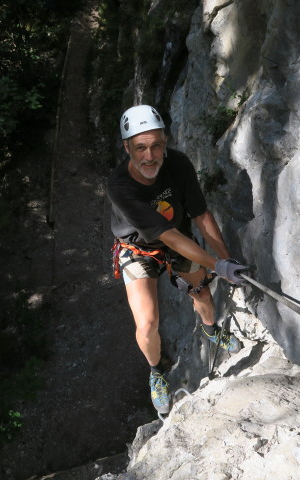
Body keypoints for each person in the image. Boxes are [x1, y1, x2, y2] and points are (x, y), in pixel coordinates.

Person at [107, 104, 249, 414]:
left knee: (203, 294)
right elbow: (166, 235)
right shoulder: (120, 186)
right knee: (147, 323)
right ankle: (157, 374)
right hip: (139, 249)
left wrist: (227, 261)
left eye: (157, 145)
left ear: (166, 142)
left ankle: (212, 330)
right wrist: (217, 265)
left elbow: (200, 213)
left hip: (178, 239)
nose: (150, 155)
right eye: (141, 147)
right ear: (126, 147)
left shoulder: (179, 164)